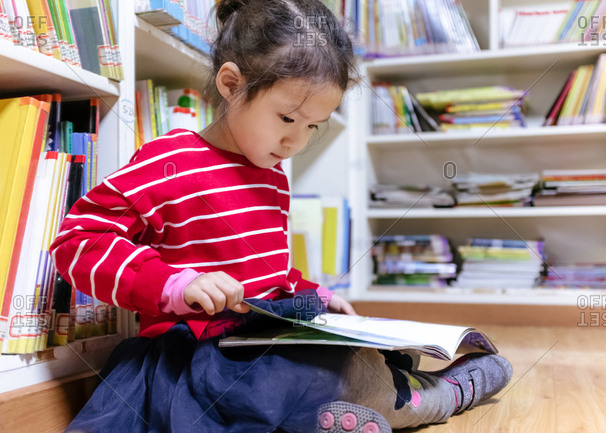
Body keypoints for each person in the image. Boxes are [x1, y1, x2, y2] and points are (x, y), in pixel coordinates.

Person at [50, 1, 512, 432]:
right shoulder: (170, 161)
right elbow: (78, 242)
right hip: (196, 354)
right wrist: (175, 283)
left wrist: (315, 294)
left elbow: (269, 272)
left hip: (264, 339)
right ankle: (422, 398)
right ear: (231, 86)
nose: (296, 141)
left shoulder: (272, 176)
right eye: (287, 118)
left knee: (343, 359)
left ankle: (409, 395)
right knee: (281, 381)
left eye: (312, 126)